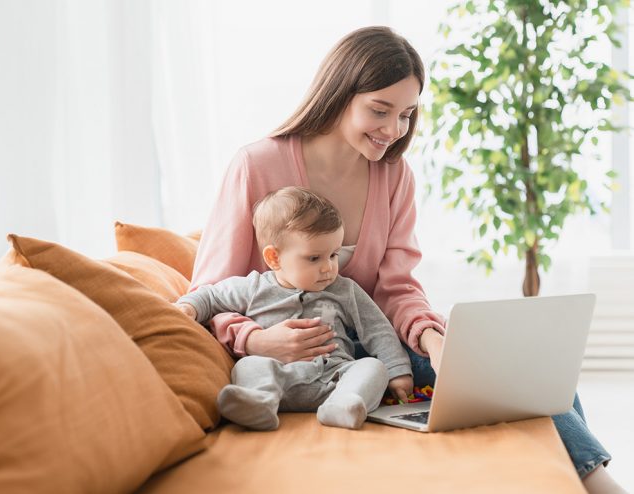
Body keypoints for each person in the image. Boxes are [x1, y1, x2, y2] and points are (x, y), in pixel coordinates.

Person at [190, 26, 623, 493]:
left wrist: (431, 336)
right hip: (302, 361)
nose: (395, 130)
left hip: (381, 349)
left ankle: (596, 482)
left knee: (529, 369)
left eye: (407, 114)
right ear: (339, 94)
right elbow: (210, 288)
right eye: (380, 110)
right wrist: (257, 340)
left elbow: (397, 288)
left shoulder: (395, 176)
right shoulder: (256, 165)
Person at [177, 186, 413, 431]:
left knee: (373, 368)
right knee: (248, 366)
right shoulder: (254, 286)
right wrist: (189, 307)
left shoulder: (345, 290)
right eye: (314, 258)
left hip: (334, 378)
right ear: (274, 258)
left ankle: (342, 406)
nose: (328, 268)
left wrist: (398, 371)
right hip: (279, 378)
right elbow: (211, 295)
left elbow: (377, 328)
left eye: (334, 255)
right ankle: (258, 404)